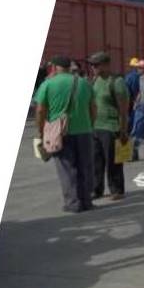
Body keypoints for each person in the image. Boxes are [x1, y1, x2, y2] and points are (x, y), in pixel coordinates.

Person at [34, 56, 96, 213]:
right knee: (85, 167)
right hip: (84, 131)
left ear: (54, 67)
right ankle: (87, 201)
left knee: (67, 168)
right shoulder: (83, 83)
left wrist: (41, 131)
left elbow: (40, 110)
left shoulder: (48, 84)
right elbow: (93, 108)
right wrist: (90, 124)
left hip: (60, 133)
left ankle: (73, 203)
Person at [86, 52, 129, 201]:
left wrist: (123, 130)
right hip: (95, 127)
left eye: (96, 65)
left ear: (106, 64)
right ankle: (96, 190)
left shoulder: (117, 82)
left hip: (111, 127)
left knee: (113, 161)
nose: (93, 67)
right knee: (96, 161)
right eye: (91, 64)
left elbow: (123, 110)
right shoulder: (95, 80)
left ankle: (117, 190)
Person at [124, 58, 142, 132]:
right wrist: (136, 100)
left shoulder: (128, 76)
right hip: (132, 99)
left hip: (127, 98)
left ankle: (128, 130)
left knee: (128, 115)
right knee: (133, 115)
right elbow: (135, 89)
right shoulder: (136, 76)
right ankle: (132, 131)